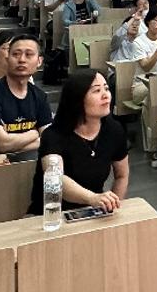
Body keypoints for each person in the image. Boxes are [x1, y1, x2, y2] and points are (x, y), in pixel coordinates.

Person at [28, 69, 129, 214]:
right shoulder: (54, 134)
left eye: (106, 89)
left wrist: (113, 207)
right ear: (77, 98)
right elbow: (56, 179)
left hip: (92, 212)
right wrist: (93, 198)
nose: (106, 95)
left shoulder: (114, 130)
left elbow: (122, 175)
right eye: (97, 91)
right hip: (50, 215)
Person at [0, 35, 51, 160]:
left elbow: (49, 139)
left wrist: (14, 143)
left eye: (29, 54)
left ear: (39, 61)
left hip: (30, 162)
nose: (22, 60)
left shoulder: (40, 96)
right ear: (7, 59)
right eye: (16, 54)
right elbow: (2, 144)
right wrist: (34, 133)